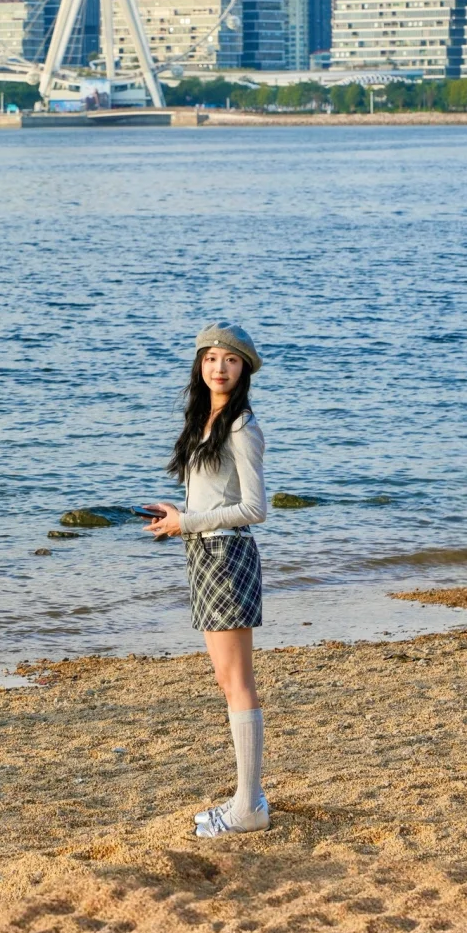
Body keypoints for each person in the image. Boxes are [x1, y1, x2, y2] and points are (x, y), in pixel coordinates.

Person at [144, 322, 269, 837]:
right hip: (203, 554)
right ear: (200, 365)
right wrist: (181, 515)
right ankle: (248, 798)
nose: (219, 366)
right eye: (211, 357)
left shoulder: (241, 425)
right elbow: (215, 498)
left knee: (238, 682)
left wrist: (188, 523)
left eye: (230, 360)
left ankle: (249, 808)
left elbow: (255, 509)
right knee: (226, 680)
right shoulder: (205, 420)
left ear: (244, 371)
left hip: (226, 555)